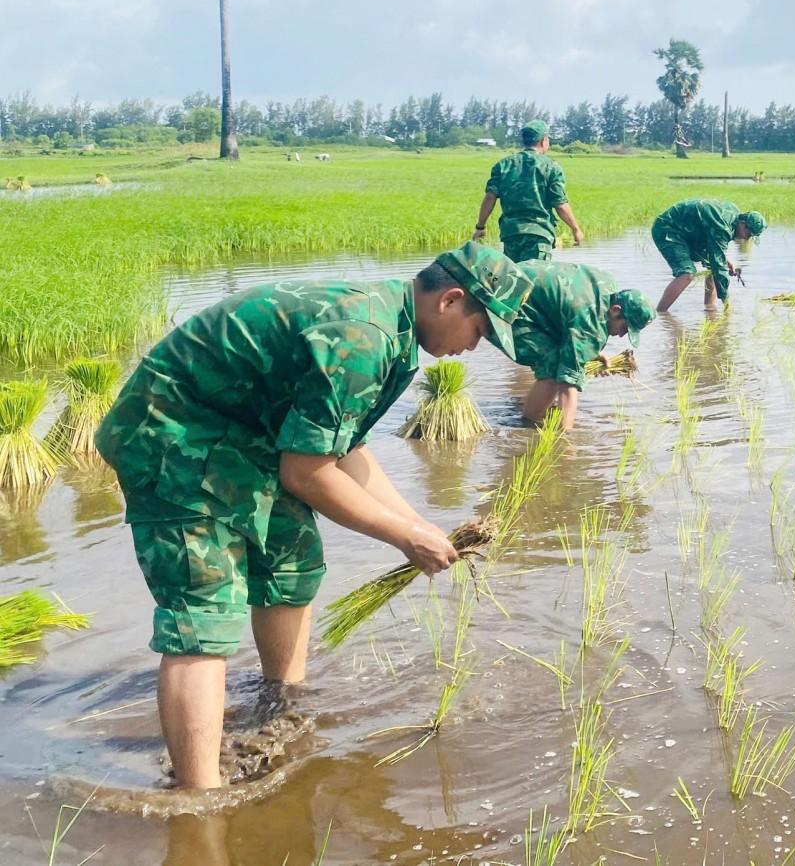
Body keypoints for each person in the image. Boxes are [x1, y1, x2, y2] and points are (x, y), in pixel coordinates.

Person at [94, 242, 533, 790]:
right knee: (204, 614)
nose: (476, 346)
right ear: (451, 300)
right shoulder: (364, 338)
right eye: (481, 331)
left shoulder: (390, 334)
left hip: (245, 437)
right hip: (170, 437)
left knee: (291, 563)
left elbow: (345, 451)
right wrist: (402, 538)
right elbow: (307, 474)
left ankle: (280, 708)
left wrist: (418, 526)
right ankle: (199, 801)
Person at [511, 260, 656, 429]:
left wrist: (586, 351)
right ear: (615, 310)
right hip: (510, 299)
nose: (622, 334)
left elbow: (569, 312)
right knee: (551, 373)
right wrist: (567, 442)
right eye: (625, 327)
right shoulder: (591, 325)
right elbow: (568, 384)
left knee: (557, 365)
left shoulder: (605, 286)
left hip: (513, 274)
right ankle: (527, 427)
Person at [473, 121, 584, 261]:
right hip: (539, 235)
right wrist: (576, 229)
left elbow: (490, 197)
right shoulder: (551, 167)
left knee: (514, 278)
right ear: (544, 141)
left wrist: (480, 227)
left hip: (511, 234)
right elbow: (560, 204)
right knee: (535, 279)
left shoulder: (503, 165)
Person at [651, 199, 767, 312]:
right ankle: (660, 313)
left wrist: (725, 261)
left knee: (713, 267)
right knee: (687, 274)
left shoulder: (733, 219)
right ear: (743, 224)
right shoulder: (723, 226)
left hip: (688, 232)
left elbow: (715, 254)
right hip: (668, 229)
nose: (747, 238)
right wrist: (727, 303)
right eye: (749, 234)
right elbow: (719, 266)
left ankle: (709, 308)